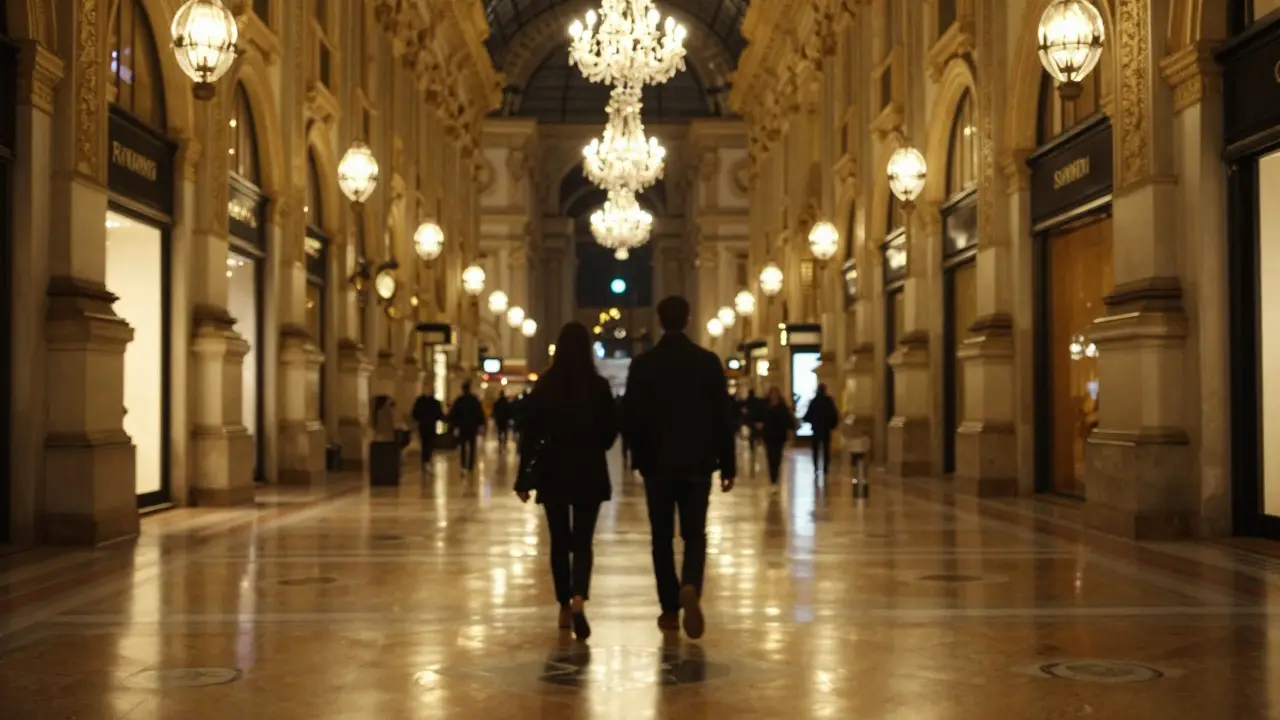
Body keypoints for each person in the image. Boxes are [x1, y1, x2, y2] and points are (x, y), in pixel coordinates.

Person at [623, 295, 736, 640]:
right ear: (687, 319)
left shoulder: (643, 364)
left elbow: (631, 418)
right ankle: (690, 585)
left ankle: (670, 610)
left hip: (657, 466)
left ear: (659, 321)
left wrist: (638, 458)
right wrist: (728, 464)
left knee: (660, 538)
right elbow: (722, 417)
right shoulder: (707, 362)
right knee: (694, 535)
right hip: (698, 464)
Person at [515, 322, 619, 641]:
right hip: (588, 470)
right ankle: (578, 597)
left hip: (554, 470)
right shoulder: (598, 386)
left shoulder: (545, 386)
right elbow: (610, 432)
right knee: (583, 541)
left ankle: (562, 604)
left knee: (559, 541)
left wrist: (523, 477)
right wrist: (594, 443)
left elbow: (529, 435)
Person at [759, 386, 797, 487]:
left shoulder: (782, 406)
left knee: (777, 457)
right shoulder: (765, 405)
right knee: (771, 456)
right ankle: (773, 478)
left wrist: (791, 430)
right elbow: (760, 417)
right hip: (769, 435)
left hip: (779, 435)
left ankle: (775, 476)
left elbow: (787, 419)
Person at [448, 382, 485, 473]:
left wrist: (455, 425)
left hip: (462, 427)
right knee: (472, 446)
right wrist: (481, 424)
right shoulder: (474, 400)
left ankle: (463, 464)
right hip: (472, 427)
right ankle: (471, 466)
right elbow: (479, 413)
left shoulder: (459, 400)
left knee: (463, 446)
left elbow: (453, 414)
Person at [804, 384, 840, 476]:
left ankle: (816, 467)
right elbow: (834, 415)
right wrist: (833, 425)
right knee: (826, 449)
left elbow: (808, 415)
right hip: (826, 429)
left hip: (816, 429)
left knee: (815, 449)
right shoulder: (828, 401)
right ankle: (825, 467)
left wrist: (811, 421)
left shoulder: (814, 401)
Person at [411, 385, 445, 471]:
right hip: (424, 425)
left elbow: (439, 414)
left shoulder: (433, 402)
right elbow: (415, 413)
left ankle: (427, 460)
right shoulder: (421, 401)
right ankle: (425, 461)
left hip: (430, 425)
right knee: (425, 443)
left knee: (429, 443)